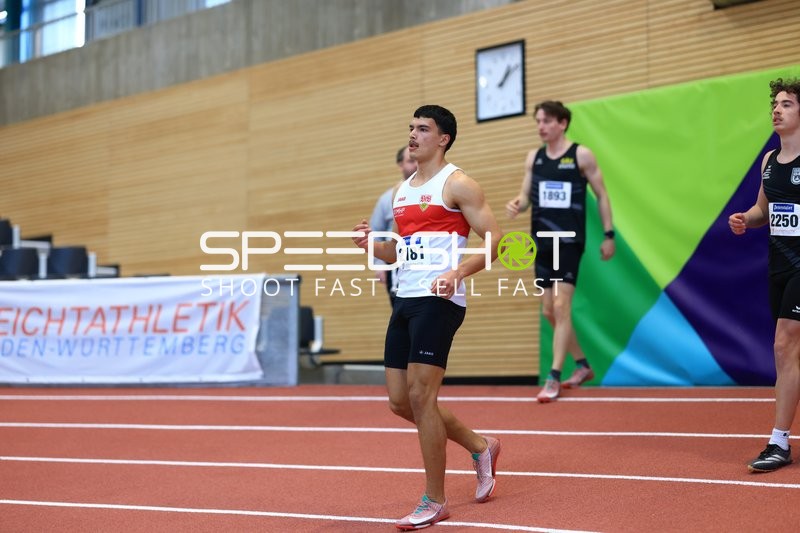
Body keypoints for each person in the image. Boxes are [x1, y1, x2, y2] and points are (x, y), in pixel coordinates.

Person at [353, 104, 503, 529]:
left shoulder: (459, 185)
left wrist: (457, 273)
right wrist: (370, 244)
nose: (413, 136)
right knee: (401, 402)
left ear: (444, 139)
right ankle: (480, 445)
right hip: (405, 297)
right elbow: (401, 251)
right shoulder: (402, 192)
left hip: (440, 299)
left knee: (422, 397)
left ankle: (435, 500)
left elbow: (496, 242)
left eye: (423, 129)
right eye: (411, 128)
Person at [506, 100, 615, 403]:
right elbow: (527, 195)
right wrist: (518, 203)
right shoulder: (534, 158)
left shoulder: (581, 155)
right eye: (538, 121)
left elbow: (602, 195)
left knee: (562, 305)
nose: (541, 126)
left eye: (546, 121)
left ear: (562, 123)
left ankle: (552, 377)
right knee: (549, 311)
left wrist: (609, 234)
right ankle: (582, 366)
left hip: (568, 240)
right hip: (542, 242)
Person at [729, 77, 800, 473]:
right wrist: (746, 219)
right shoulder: (769, 161)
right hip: (779, 266)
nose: (776, 109)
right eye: (775, 103)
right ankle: (782, 440)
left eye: (786, 104)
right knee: (788, 352)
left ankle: (778, 442)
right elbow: (763, 210)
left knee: (783, 343)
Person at [369, 146, 418, 306]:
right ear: (400, 165)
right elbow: (376, 232)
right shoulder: (387, 199)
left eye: (417, 160)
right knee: (401, 309)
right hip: (397, 262)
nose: (416, 165)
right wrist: (379, 264)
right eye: (411, 161)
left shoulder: (434, 193)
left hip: (427, 259)